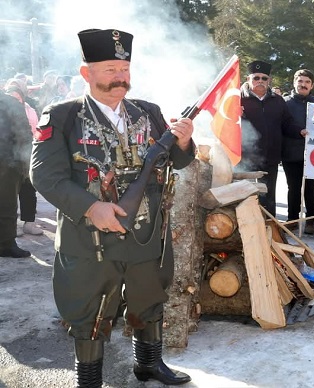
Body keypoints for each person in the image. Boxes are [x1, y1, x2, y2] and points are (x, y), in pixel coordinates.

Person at [30, 28, 195, 386]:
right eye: (109, 69)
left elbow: (176, 161)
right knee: (88, 306)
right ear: (86, 73)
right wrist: (91, 207)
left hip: (146, 232)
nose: (120, 77)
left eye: (124, 68)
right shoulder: (61, 116)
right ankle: (89, 379)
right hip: (90, 238)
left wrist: (184, 142)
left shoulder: (148, 111)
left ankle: (149, 364)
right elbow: (44, 175)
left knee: (149, 295)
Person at [239, 60, 304, 217]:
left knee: (268, 198)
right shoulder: (237, 100)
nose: (260, 81)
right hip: (245, 159)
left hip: (271, 158)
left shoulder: (277, 100)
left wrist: (300, 131)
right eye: (256, 78)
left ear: (269, 81)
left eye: (264, 78)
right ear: (248, 79)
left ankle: (269, 231)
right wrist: (234, 115)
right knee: (246, 199)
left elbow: (287, 122)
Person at [283, 69, 314, 234]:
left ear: (312, 85)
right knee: (293, 188)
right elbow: (282, 125)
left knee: (310, 188)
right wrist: (298, 131)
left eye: (307, 82)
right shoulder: (285, 103)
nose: (303, 85)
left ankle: (311, 220)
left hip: (312, 154)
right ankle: (292, 219)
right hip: (291, 152)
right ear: (294, 83)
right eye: (300, 81)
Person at [4, 79, 43, 236]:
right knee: (10, 194)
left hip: (28, 153)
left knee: (29, 190)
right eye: (12, 95)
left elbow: (35, 129)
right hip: (9, 158)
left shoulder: (30, 108)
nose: (15, 99)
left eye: (18, 95)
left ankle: (29, 223)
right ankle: (11, 227)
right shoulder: (4, 111)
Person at [0, 91, 33, 258]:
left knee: (7, 204)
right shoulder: (10, 102)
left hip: (8, 161)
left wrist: (26, 162)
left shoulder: (10, 103)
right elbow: (24, 133)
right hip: (7, 163)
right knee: (6, 205)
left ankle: (6, 243)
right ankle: (6, 244)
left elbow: (23, 133)